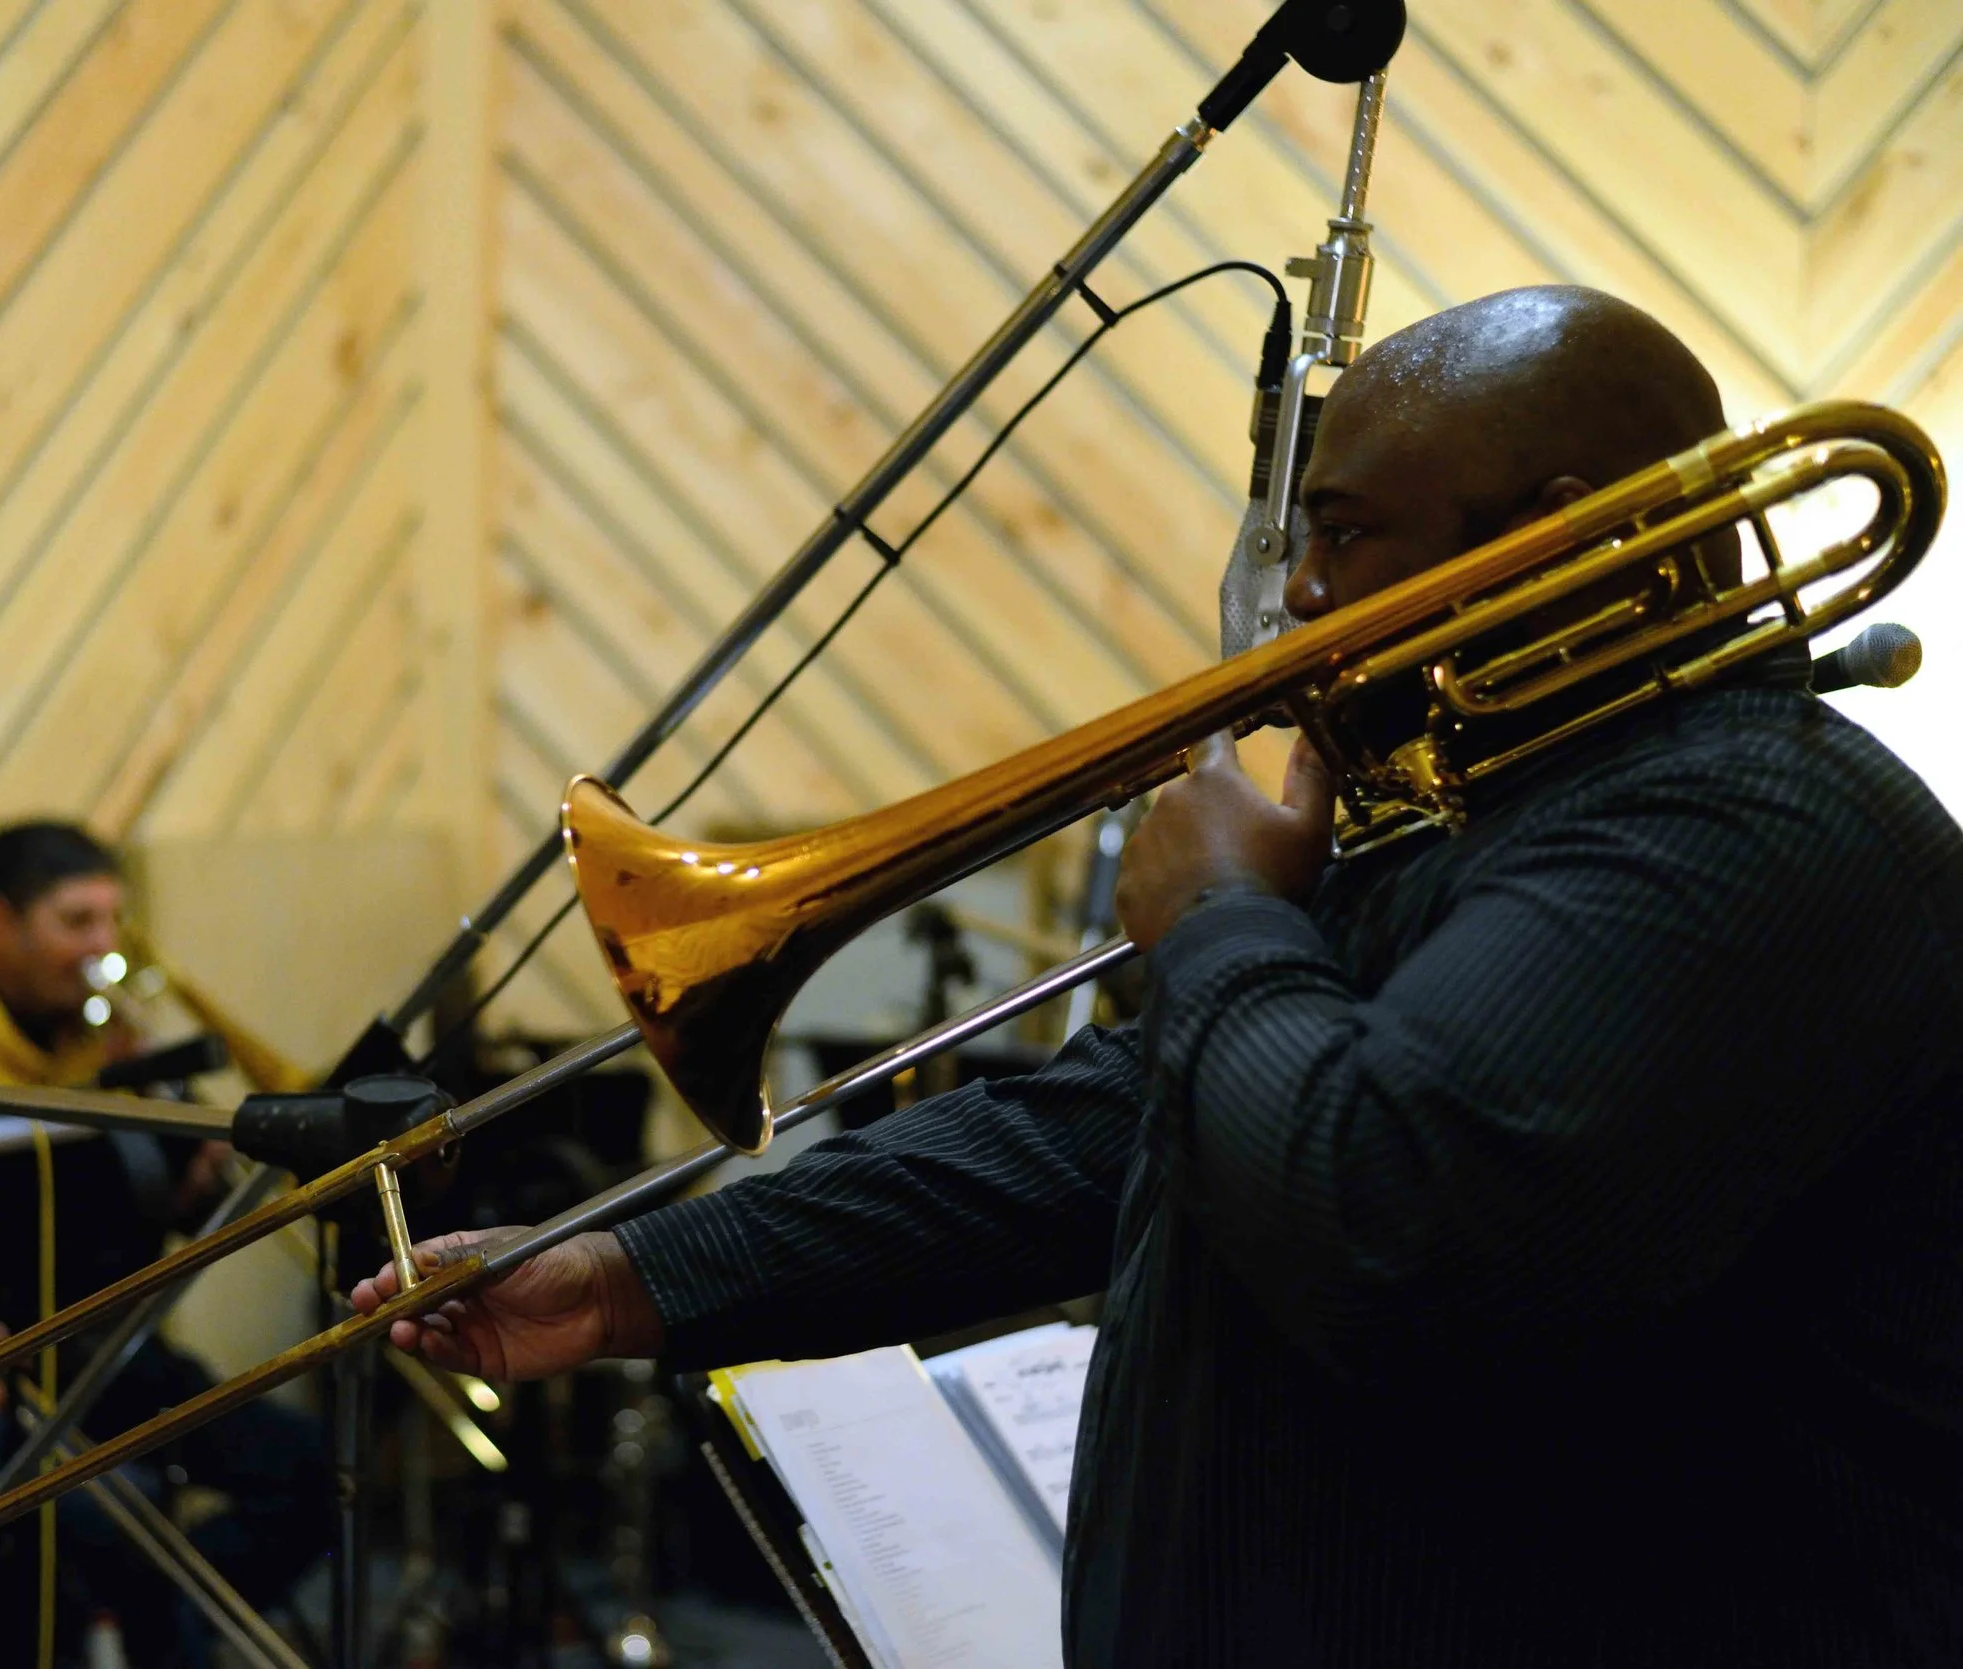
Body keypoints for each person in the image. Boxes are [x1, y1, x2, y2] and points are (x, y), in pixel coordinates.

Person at [358, 287, 1963, 1667]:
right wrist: (637, 1277)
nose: (1305, 600)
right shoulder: (1500, 811)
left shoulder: (1754, 819)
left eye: (1342, 534)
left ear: (1558, 524)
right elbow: (1108, 1130)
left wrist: (1217, 926)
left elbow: (1388, 1221)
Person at [0, 820, 329, 1666]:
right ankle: (154, 1623)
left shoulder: (104, 1037)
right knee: (112, 1528)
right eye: (76, 921)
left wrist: (187, 1179)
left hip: (101, 1349)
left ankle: (158, 1624)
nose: (103, 948)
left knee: (305, 1469)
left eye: (112, 921)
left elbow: (134, 1228)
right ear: (1, 921)